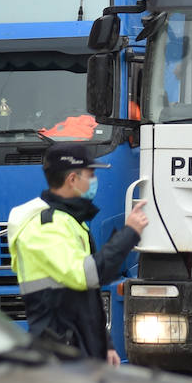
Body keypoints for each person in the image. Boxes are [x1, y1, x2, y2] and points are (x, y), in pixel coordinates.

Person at [8, 143, 149, 364]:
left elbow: (86, 298)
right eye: (90, 174)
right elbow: (86, 276)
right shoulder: (47, 226)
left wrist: (104, 344)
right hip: (57, 355)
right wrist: (129, 234)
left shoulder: (69, 220)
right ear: (72, 179)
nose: (94, 181)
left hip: (77, 350)